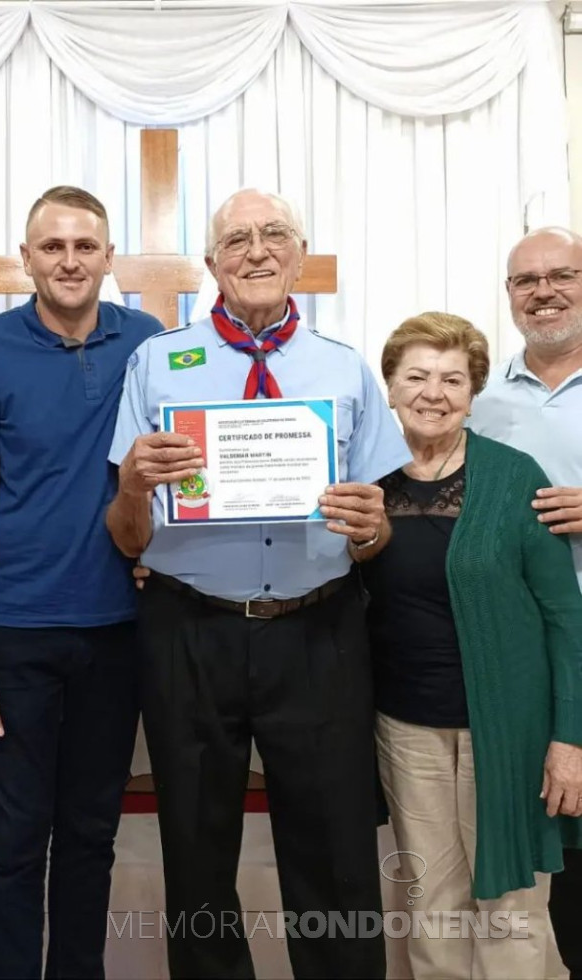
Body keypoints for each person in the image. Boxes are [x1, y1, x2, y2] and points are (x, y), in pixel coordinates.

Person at [107, 188, 410, 980]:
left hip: (319, 629)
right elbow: (125, 533)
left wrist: (370, 526)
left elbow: (378, 534)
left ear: (299, 257)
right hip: (189, 628)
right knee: (197, 845)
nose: (257, 250)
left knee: (336, 846)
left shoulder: (343, 369)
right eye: (237, 239)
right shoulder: (155, 362)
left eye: (275, 234)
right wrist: (134, 487)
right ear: (212, 264)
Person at [0, 185, 163, 978]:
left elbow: (168, 480)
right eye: (52, 246)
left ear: (108, 257)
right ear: (26, 257)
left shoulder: (148, 342)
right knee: (14, 843)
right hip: (14, 632)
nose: (69, 260)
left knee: (90, 836)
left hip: (116, 630)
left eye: (85, 246)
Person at [362, 310, 582, 980]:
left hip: (508, 732)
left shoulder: (515, 477)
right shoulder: (362, 481)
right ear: (391, 388)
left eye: (452, 379)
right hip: (406, 730)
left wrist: (569, 740)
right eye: (417, 376)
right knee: (432, 907)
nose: (434, 392)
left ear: (472, 393)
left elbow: (565, 618)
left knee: (512, 906)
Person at [469, 227, 582, 978]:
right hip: (539, 658)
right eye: (526, 280)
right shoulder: (478, 402)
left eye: (562, 275)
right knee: (561, 847)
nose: (544, 291)